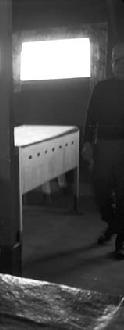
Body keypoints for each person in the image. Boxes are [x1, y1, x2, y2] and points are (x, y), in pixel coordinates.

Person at [82, 42, 124, 258]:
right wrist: (87, 141)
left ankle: (121, 239)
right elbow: (91, 116)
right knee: (101, 190)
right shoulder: (102, 87)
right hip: (104, 146)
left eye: (123, 59)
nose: (120, 64)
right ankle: (113, 224)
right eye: (117, 60)